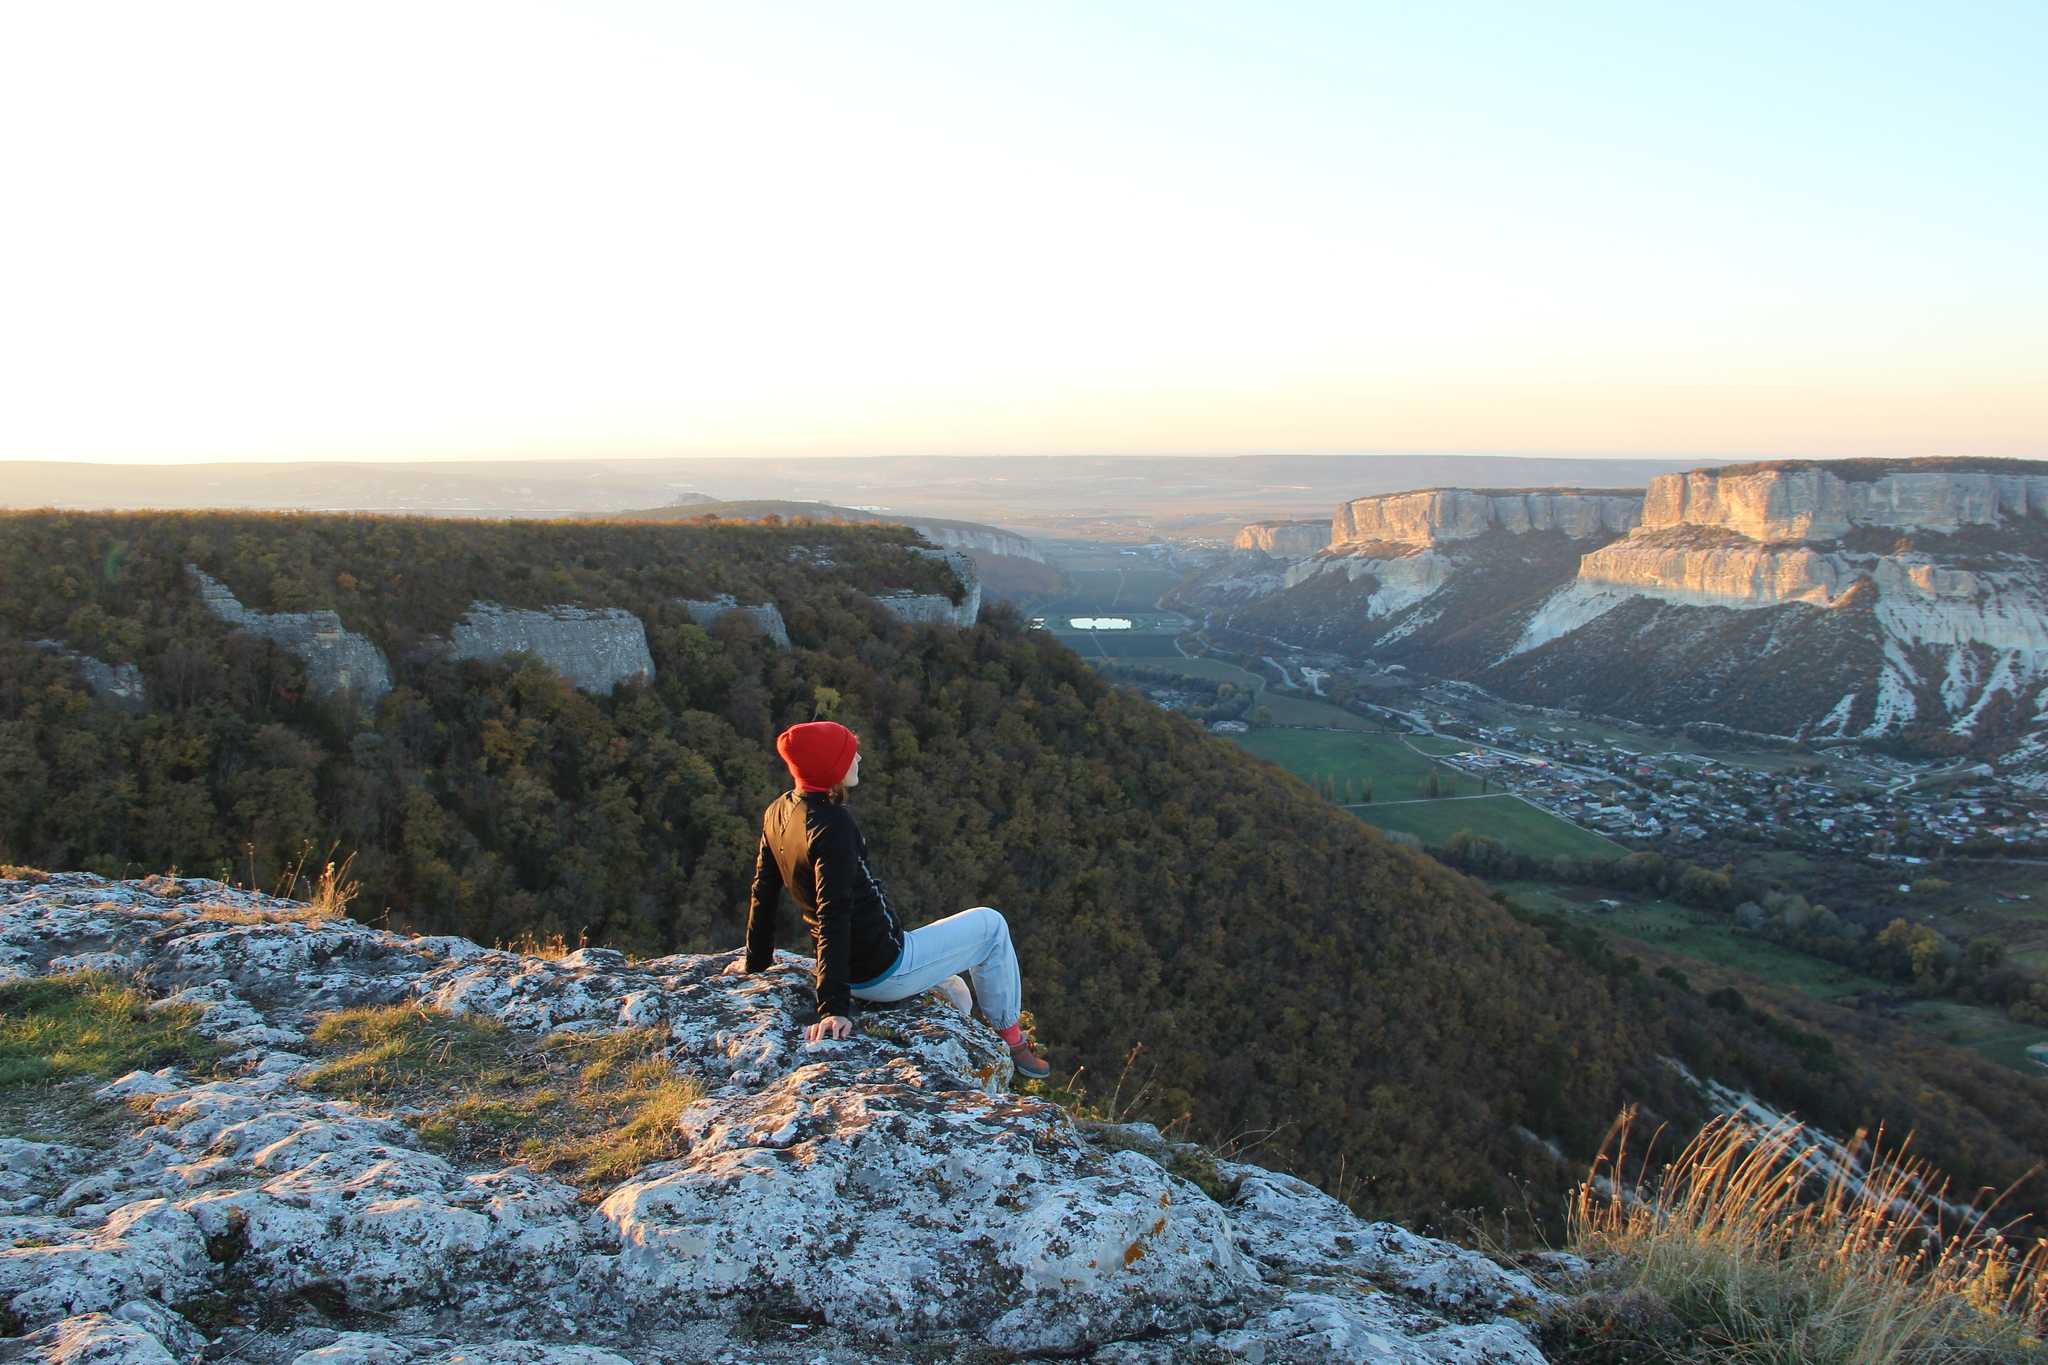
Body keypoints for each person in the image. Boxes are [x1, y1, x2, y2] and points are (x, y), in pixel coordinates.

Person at [723, 720, 1052, 1078]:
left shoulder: (780, 810)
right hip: (881, 966)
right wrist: (832, 1007)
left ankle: (967, 1055)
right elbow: (834, 914)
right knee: (991, 926)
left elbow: (764, 889)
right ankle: (1013, 1042)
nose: (859, 757)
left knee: (956, 991)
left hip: (857, 965)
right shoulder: (834, 826)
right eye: (850, 754)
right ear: (832, 768)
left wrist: (756, 959)